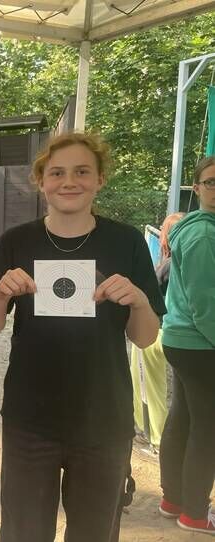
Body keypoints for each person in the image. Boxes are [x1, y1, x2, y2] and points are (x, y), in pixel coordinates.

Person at [0, 132, 164, 542]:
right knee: (24, 533)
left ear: (100, 179)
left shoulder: (127, 241)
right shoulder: (15, 242)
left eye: (82, 172)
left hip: (104, 419)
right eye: (57, 173)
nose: (69, 182)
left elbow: (146, 338)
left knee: (94, 533)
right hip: (30, 418)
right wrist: (1, 294)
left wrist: (138, 301)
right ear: (41, 180)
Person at [158, 155, 215, 535]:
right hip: (200, 342)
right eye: (211, 182)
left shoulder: (198, 228)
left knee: (184, 419)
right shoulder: (204, 235)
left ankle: (174, 500)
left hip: (185, 340)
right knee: (206, 427)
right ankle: (195, 512)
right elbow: (205, 301)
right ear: (197, 188)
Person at [130, 212, 183, 448]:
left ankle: (155, 437)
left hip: (157, 333)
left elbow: (150, 299)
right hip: (181, 335)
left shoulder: (168, 265)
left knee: (149, 386)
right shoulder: (197, 261)